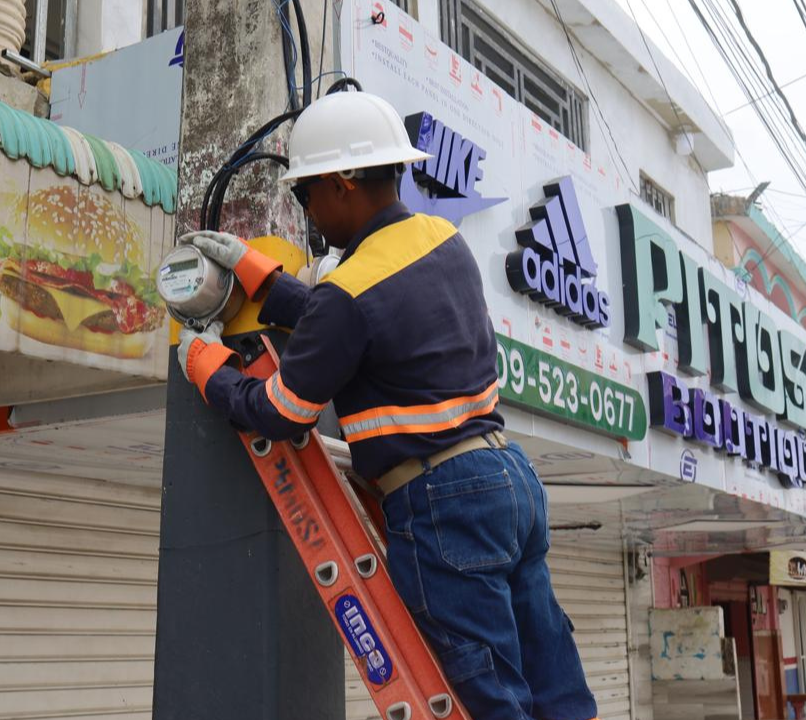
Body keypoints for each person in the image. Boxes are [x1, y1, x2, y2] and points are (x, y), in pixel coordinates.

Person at [176, 89, 598, 720]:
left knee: (491, 698)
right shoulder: (441, 241)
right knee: (553, 677)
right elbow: (361, 317)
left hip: (443, 502)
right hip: (509, 480)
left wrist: (208, 372)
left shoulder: (349, 290)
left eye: (304, 194)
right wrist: (259, 275)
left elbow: (284, 410)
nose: (308, 213)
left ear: (343, 181)